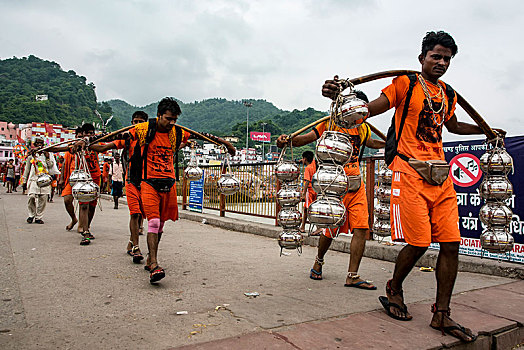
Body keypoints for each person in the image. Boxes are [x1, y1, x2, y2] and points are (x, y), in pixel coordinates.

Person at [321, 31, 506, 343]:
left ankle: (442, 313)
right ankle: (395, 287)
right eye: (436, 56)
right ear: (422, 58)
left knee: (451, 244)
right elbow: (371, 109)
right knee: (419, 243)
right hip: (408, 172)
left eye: (447, 59)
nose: (442, 63)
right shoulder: (405, 84)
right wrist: (341, 98)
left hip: (440, 177)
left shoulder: (447, 93)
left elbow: (452, 125)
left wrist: (486, 131)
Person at [277, 90, 385, 290]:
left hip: (355, 185)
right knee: (330, 229)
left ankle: (352, 275)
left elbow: (371, 143)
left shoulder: (362, 128)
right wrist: (288, 140)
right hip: (333, 186)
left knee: (362, 228)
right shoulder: (329, 123)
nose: (359, 114)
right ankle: (318, 261)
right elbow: (307, 138)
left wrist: (392, 144)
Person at [124, 99, 190, 283]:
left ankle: (150, 257)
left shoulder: (176, 133)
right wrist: (89, 142)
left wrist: (225, 143)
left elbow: (192, 137)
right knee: (152, 222)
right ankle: (153, 263)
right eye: (168, 119)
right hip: (149, 183)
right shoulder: (144, 130)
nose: (172, 123)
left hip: (168, 183)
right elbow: (118, 140)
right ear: (159, 115)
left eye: (175, 120)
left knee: (160, 225)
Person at [87, 111, 148, 263]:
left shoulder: (151, 138)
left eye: (141, 121)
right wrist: (87, 144)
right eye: (135, 121)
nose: (137, 124)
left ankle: (131, 242)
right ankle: (136, 247)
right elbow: (104, 147)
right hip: (131, 181)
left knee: (141, 215)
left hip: (147, 182)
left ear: (146, 124)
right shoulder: (126, 138)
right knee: (134, 213)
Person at [22, 138, 60, 224]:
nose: (39, 145)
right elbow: (27, 169)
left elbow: (51, 166)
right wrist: (24, 181)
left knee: (43, 199)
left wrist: (47, 158)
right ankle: (31, 215)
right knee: (31, 197)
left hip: (45, 179)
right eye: (37, 143)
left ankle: (39, 217)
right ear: (35, 144)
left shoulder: (48, 154)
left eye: (41, 143)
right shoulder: (31, 155)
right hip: (34, 179)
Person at [56, 127, 83, 231]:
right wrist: (62, 178)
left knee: (83, 203)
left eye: (82, 137)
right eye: (79, 137)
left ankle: (82, 225)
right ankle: (74, 219)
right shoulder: (70, 150)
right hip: (71, 179)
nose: (80, 139)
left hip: (83, 180)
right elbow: (64, 165)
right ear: (76, 137)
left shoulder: (88, 148)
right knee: (67, 200)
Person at [299, 151, 321, 235]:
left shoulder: (308, 168)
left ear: (305, 159)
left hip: (309, 191)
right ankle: (303, 227)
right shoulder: (315, 165)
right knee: (305, 209)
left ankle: (318, 228)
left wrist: (304, 193)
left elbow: (307, 181)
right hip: (315, 190)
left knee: (310, 210)